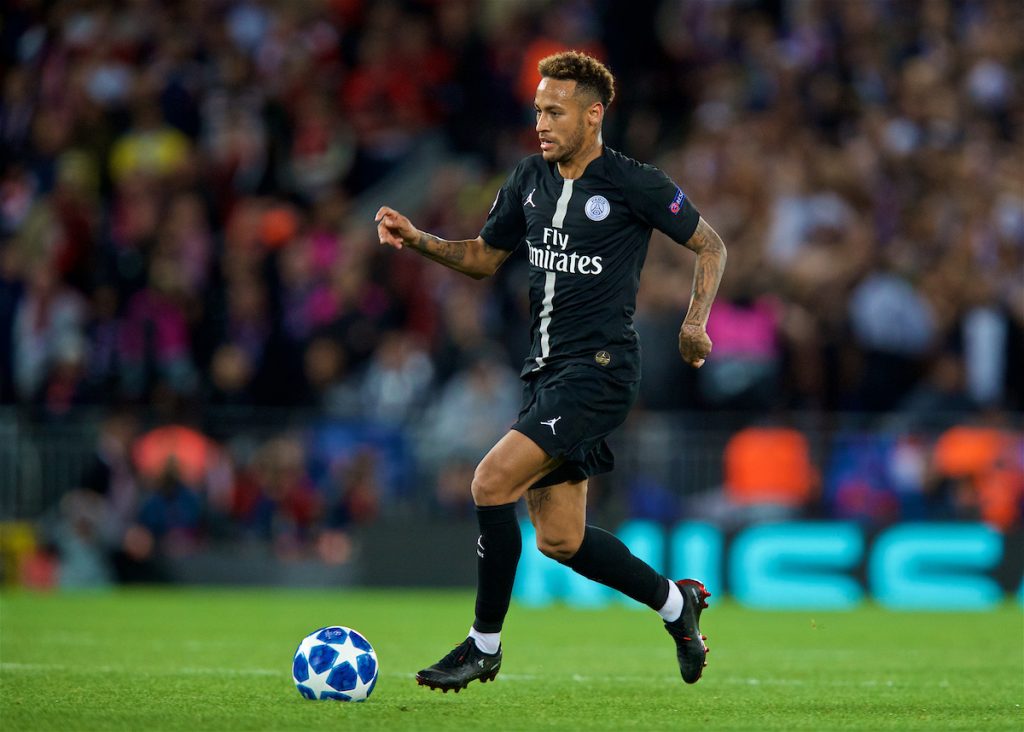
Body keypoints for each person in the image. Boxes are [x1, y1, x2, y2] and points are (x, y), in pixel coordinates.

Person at [375, 51, 727, 692]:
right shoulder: (528, 179)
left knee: (489, 482)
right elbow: (484, 258)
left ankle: (483, 647)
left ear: (593, 116)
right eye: (538, 109)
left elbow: (711, 243)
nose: (541, 121)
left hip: (599, 372)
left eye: (555, 111)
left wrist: (695, 321)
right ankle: (678, 605)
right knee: (560, 540)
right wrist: (419, 237)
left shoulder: (633, 182)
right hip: (545, 374)